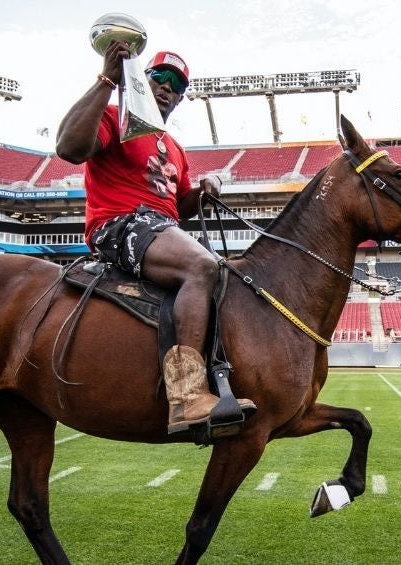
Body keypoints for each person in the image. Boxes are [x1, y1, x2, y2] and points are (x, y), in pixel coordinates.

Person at [56, 43, 255, 436]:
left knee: (223, 276)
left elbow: (178, 207)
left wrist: (204, 192)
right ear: (142, 82)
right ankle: (186, 396)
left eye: (176, 84)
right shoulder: (113, 116)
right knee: (201, 265)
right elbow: (69, 148)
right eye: (159, 78)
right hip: (118, 226)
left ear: (180, 97)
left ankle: (218, 381)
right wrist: (106, 80)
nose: (167, 87)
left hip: (160, 227)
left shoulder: (174, 149)